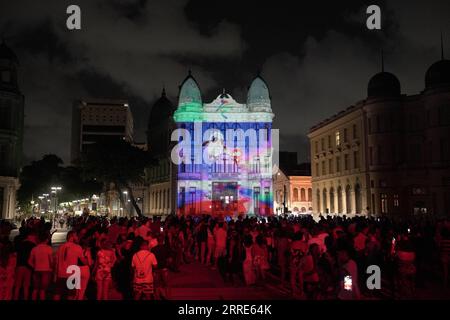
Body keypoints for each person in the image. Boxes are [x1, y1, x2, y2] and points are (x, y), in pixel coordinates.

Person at [54, 231, 87, 300]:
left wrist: (55, 274)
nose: (77, 238)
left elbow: (56, 261)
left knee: (57, 294)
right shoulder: (77, 247)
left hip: (60, 273)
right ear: (72, 236)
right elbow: (84, 261)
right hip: (71, 274)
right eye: (76, 236)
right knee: (70, 295)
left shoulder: (61, 247)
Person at [28, 233, 53, 300]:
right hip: (46, 271)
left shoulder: (34, 249)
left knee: (35, 289)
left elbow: (29, 261)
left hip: (36, 270)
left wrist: (34, 266)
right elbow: (51, 261)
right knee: (42, 290)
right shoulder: (48, 248)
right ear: (46, 240)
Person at [13, 230, 37, 300]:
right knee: (26, 286)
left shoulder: (19, 244)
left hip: (19, 266)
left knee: (17, 286)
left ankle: (15, 298)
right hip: (28, 267)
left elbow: (15, 254)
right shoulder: (32, 245)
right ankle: (26, 298)